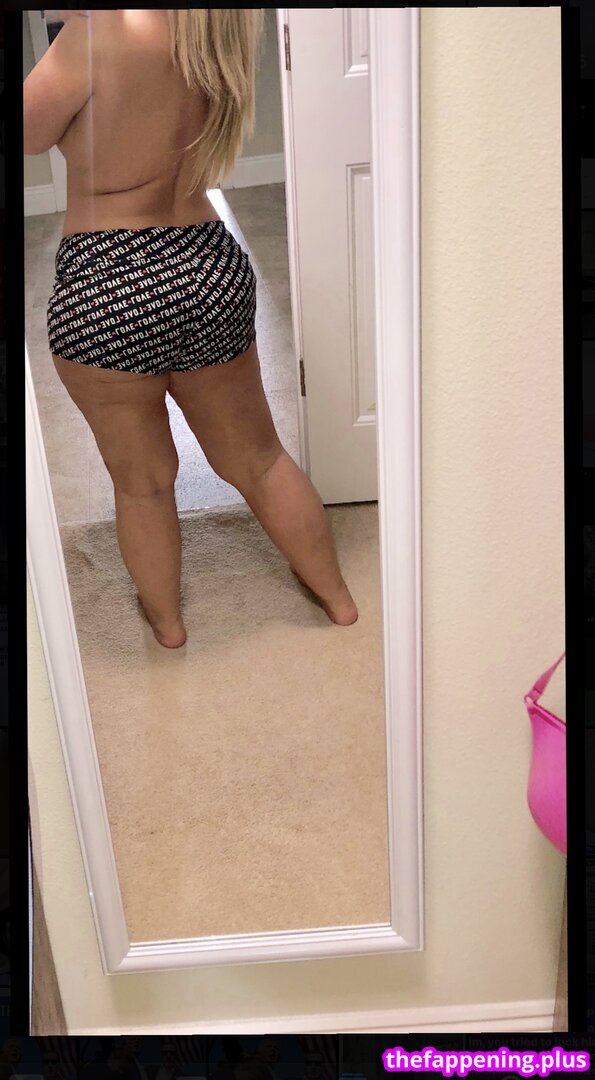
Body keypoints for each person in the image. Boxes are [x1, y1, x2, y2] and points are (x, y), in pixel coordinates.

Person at [23, 9, 358, 648]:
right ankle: (338, 600)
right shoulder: (214, 30)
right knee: (260, 459)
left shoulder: (96, 32)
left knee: (143, 482)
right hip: (207, 261)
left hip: (109, 276)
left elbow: (31, 132)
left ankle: (169, 627)